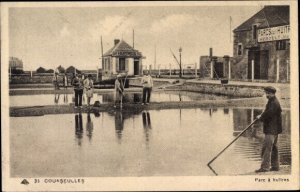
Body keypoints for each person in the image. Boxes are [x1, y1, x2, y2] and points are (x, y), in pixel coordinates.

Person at [255, 86, 282, 173]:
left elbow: (268, 114)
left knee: (267, 149)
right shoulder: (272, 101)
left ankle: (265, 167)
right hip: (275, 129)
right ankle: (275, 166)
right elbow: (267, 111)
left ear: (273, 93)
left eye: (268, 93)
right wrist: (262, 114)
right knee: (273, 148)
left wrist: (260, 117)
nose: (267, 95)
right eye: (266, 93)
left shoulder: (274, 103)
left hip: (271, 130)